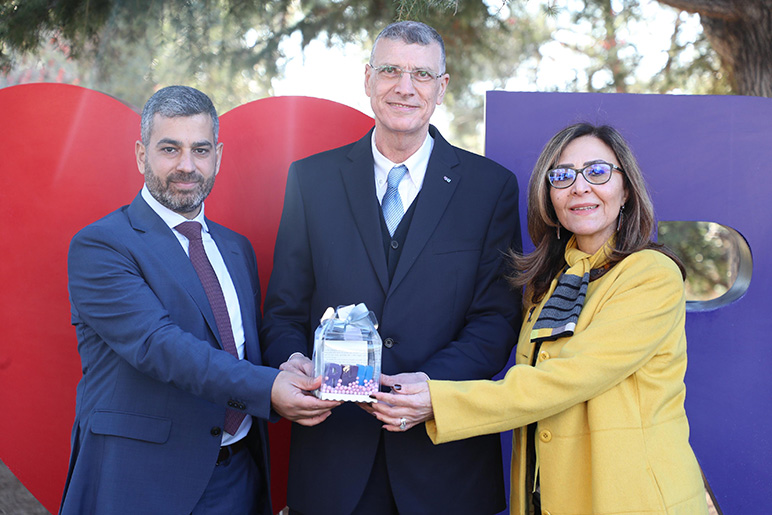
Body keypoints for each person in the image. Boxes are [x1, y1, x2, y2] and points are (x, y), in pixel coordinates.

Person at [372, 122, 710, 514]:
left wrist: (440, 400)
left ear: (627, 190)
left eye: (597, 172)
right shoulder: (547, 283)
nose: (579, 187)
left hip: (631, 500)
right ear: (549, 197)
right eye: (562, 176)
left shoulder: (650, 275)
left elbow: (566, 378)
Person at [260, 21, 522, 515]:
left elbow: (497, 318)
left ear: (441, 87)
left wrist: (428, 389)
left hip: (446, 466)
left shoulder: (490, 188)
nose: (405, 87)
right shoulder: (311, 180)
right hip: (333, 458)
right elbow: (284, 309)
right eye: (390, 71)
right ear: (367, 79)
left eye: (421, 74)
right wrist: (291, 360)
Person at [60, 85, 339, 515]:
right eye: (170, 149)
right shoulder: (101, 246)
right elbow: (160, 346)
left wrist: (290, 364)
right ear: (141, 154)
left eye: (201, 150)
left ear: (218, 157)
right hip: (141, 483)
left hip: (238, 480)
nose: (187, 166)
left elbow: (244, 347)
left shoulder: (236, 249)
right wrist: (268, 388)